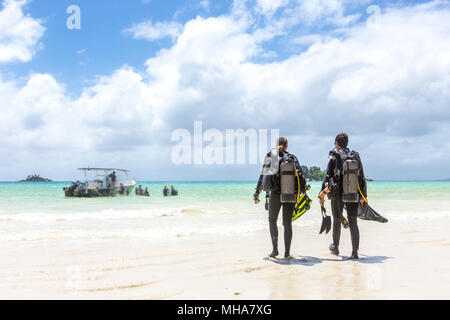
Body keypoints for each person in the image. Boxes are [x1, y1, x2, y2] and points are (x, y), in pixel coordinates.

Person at [253, 137, 306, 259]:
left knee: (272, 221)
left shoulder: (272, 156)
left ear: (276, 145)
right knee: (287, 223)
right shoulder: (292, 158)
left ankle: (275, 250)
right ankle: (287, 253)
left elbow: (262, 176)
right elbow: (301, 177)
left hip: (276, 193)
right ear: (286, 146)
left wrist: (257, 193)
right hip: (290, 194)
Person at [319, 133, 368, 260]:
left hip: (337, 193)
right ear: (347, 143)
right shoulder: (354, 155)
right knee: (353, 222)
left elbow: (328, 175)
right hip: (353, 192)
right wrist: (364, 196)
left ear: (336, 143)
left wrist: (322, 192)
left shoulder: (334, 155)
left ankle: (335, 247)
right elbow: (362, 176)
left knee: (336, 220)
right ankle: (355, 252)